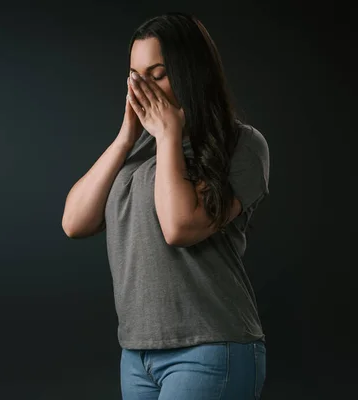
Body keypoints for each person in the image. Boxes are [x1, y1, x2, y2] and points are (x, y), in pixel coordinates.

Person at [61, 12, 270, 400]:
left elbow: (179, 227)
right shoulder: (138, 149)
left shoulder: (242, 145)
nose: (144, 88)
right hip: (137, 355)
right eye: (135, 76)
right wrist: (126, 138)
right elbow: (74, 222)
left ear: (191, 71)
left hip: (211, 347)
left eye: (157, 74)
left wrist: (169, 135)